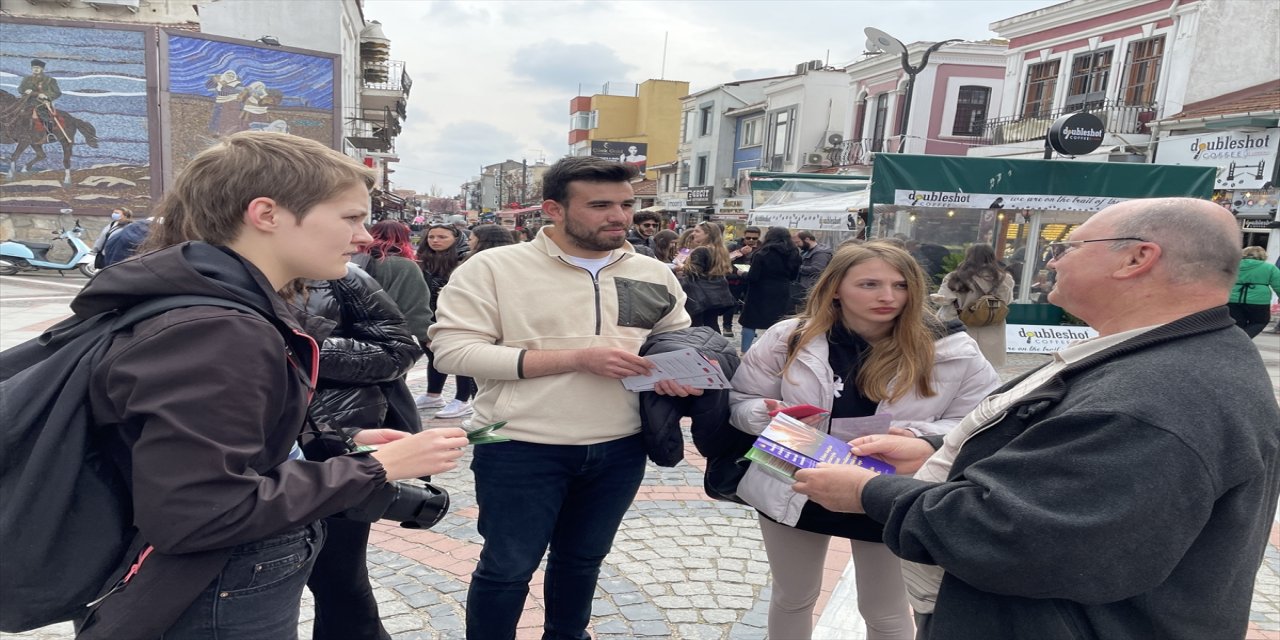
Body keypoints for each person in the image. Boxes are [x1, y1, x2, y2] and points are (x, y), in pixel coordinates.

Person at [792, 197, 1280, 640]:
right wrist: (937, 452)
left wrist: (866, 492)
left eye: (1070, 245)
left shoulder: (1157, 397)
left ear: (1137, 259)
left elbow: (1017, 537)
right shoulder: (1162, 357)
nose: (1054, 259)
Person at [75, 131, 469, 639]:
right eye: (350, 217)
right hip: (220, 588)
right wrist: (379, 467)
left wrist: (338, 446)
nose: (366, 236)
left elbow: (214, 456)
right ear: (266, 215)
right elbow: (197, 513)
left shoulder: (210, 300)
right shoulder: (220, 328)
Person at [429, 155, 695, 640]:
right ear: (552, 208)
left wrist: (680, 376)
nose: (619, 215)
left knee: (582, 561)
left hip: (621, 445)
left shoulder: (653, 272)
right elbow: (452, 352)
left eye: (626, 204)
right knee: (508, 567)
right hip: (517, 445)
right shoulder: (493, 268)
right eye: (600, 205)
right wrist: (576, 359)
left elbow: (678, 340)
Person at [729, 243, 999, 640]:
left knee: (885, 610)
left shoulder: (950, 348)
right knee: (792, 596)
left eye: (900, 285)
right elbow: (739, 401)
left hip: (889, 487)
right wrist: (765, 413)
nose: (888, 297)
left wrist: (918, 439)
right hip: (796, 476)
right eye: (870, 284)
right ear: (835, 287)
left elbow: (982, 422)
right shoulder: (789, 337)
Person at [295, 265, 422, 640]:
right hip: (233, 455)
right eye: (348, 217)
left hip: (332, 445)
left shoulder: (337, 274)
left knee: (341, 583)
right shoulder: (188, 275)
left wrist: (303, 349)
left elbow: (398, 351)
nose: (364, 235)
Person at [414, 223, 476, 418]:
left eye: (442, 237)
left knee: (458, 357)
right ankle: (433, 394)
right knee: (434, 355)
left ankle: (462, 399)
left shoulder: (464, 259)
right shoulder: (423, 259)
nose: (435, 241)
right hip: (430, 314)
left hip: (456, 316)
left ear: (456, 238)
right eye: (432, 237)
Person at [931, 244, 1014, 367]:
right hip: (991, 324)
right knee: (987, 367)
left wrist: (932, 297)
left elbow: (945, 299)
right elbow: (1007, 301)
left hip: (962, 324)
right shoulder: (1003, 278)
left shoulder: (956, 277)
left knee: (959, 367)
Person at [738, 226, 801, 351]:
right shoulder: (794, 254)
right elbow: (794, 276)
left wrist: (742, 273)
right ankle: (772, 350)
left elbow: (753, 277)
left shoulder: (762, 253)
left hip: (759, 292)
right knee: (777, 322)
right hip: (781, 291)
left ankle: (745, 351)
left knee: (750, 322)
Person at [682, 220, 735, 332]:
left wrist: (680, 265)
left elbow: (693, 272)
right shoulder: (721, 250)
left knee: (696, 324)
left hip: (700, 294)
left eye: (697, 231)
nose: (693, 233)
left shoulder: (701, 250)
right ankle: (716, 346)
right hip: (716, 293)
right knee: (712, 322)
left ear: (708, 234)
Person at [1228, 245, 1280, 338]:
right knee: (1259, 322)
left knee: (1237, 324)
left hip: (1233, 299)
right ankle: (1242, 341)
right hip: (1259, 301)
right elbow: (1278, 285)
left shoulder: (1232, 266)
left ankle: (1236, 342)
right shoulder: (1269, 268)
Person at [723, 226, 761, 338]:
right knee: (731, 303)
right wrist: (739, 252)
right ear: (744, 236)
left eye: (754, 238)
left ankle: (749, 327)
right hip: (734, 278)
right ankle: (727, 326)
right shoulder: (734, 245)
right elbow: (724, 259)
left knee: (750, 304)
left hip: (751, 278)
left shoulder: (761, 247)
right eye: (748, 237)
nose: (751, 240)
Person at [19, 59, 61, 142]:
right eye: (34, 67)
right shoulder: (27, 79)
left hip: (41, 103)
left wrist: (46, 96)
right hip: (26, 101)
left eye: (38, 68)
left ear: (42, 69)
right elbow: (20, 88)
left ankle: (49, 134)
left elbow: (57, 92)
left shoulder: (50, 80)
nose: (35, 69)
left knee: (43, 115)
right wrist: (24, 90)